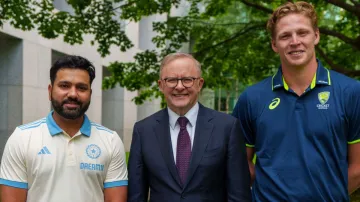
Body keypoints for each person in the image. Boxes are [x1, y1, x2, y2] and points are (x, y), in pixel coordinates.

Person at [232, 1, 360, 201]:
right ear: (274, 44)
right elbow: (240, 164)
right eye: (285, 36)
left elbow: (358, 166)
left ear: (316, 36)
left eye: (302, 33)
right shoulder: (252, 99)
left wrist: (328, 195)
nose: (294, 41)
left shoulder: (352, 92)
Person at [0, 55, 128, 202]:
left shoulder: (110, 141)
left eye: (81, 88)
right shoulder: (22, 138)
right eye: (64, 86)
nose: (73, 94)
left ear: (90, 94)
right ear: (50, 91)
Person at [128, 53, 252, 202]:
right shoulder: (143, 131)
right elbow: (136, 196)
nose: (179, 86)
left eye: (187, 80)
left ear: (199, 84)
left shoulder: (227, 128)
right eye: (172, 80)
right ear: (161, 85)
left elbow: (239, 195)